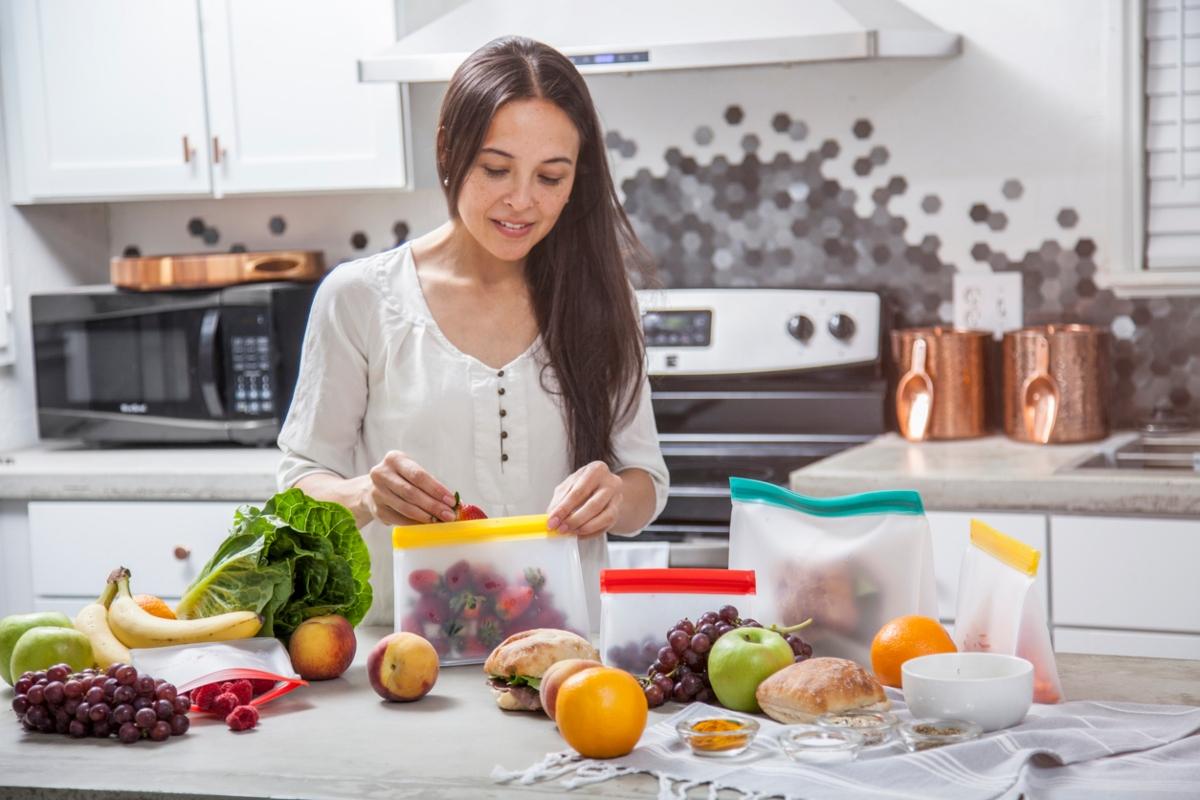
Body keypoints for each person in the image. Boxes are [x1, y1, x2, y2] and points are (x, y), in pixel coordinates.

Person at [276, 36, 669, 630]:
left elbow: (646, 483)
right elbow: (297, 493)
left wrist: (615, 495)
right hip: (408, 666)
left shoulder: (604, 304)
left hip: (563, 665)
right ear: (448, 150)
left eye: (551, 177)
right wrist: (365, 496)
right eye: (496, 169)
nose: (522, 201)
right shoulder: (359, 298)